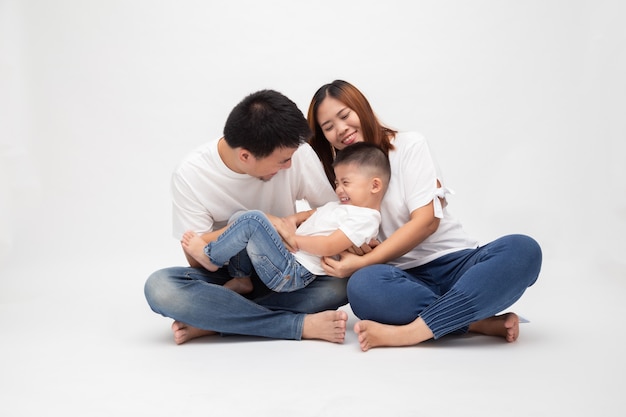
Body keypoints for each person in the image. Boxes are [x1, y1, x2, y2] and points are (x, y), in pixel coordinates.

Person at [307, 80, 542, 351]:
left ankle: (410, 333)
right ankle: (475, 321)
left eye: (345, 115)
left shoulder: (409, 146)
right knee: (362, 287)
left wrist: (365, 259)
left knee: (523, 249)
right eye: (328, 127)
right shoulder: (338, 179)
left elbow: (427, 222)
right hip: (403, 280)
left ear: (362, 109)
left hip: (457, 264)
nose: (341, 129)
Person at [144, 89, 351, 345]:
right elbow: (197, 260)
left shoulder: (296, 154)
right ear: (245, 156)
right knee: (160, 288)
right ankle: (296, 325)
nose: (289, 165)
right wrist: (258, 223)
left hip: (284, 269)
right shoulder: (191, 174)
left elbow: (336, 214)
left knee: (342, 284)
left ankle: (216, 320)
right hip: (228, 276)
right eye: (282, 161)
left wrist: (291, 223)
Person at [181, 142, 390, 295]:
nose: (339, 189)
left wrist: (292, 239)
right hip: (288, 258)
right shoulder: (343, 207)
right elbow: (311, 214)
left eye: (346, 182)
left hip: (293, 271)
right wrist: (290, 221)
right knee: (241, 217)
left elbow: (328, 245)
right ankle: (241, 278)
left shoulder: (366, 218)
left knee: (253, 219)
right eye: (337, 183)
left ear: (374, 185)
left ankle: (210, 256)